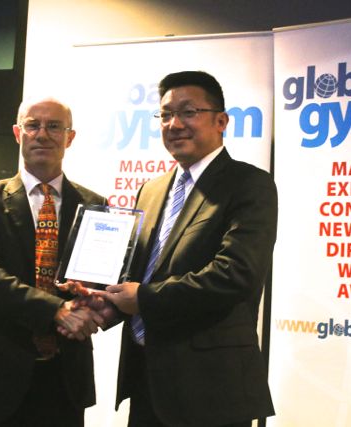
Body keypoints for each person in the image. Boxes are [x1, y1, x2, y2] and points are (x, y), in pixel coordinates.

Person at [104, 71, 278, 427]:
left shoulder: (249, 184)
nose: (174, 124)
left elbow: (235, 274)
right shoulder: (151, 190)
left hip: (211, 388)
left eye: (188, 112)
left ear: (221, 121)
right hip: (147, 380)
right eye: (166, 114)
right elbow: (139, 273)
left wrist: (144, 299)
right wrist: (103, 302)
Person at [0, 97, 107, 427]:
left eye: (54, 126)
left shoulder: (95, 205)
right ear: (17, 133)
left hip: (65, 378)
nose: (43, 134)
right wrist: (56, 310)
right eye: (33, 125)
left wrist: (95, 298)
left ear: (70, 137)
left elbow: (99, 279)